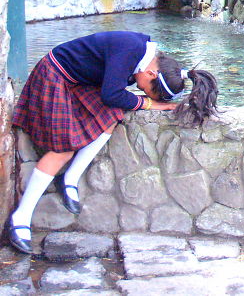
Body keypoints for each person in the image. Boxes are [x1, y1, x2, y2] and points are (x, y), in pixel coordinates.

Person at [8, 31, 218, 254]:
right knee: (63, 150)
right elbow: (111, 96)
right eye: (145, 88)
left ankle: (70, 178)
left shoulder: (139, 55)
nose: (140, 90)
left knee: (110, 119)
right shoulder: (129, 50)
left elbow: (114, 95)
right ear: (150, 73)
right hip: (54, 75)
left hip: (80, 80)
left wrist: (148, 101)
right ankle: (21, 216)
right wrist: (149, 104)